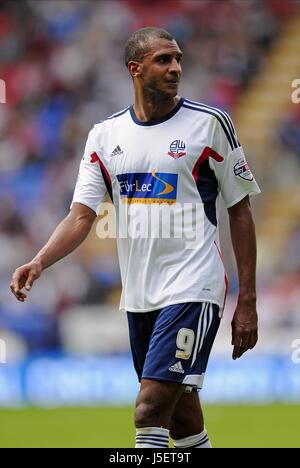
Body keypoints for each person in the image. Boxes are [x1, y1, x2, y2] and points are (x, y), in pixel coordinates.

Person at [10, 27, 261, 448]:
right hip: (140, 295)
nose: (175, 68)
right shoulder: (104, 137)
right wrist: (39, 261)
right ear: (135, 68)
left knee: (148, 410)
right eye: (164, 60)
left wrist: (247, 300)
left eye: (178, 58)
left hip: (193, 285)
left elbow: (240, 209)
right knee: (182, 420)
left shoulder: (210, 124)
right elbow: (81, 215)